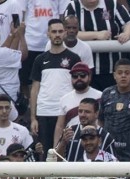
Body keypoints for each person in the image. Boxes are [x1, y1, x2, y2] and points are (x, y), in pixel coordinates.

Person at [30, 19, 84, 156]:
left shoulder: (74, 58)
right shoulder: (40, 60)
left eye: (60, 31)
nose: (57, 34)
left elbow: (79, 87)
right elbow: (34, 89)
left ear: (65, 33)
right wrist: (33, 118)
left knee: (66, 152)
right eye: (54, 31)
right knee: (45, 153)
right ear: (48, 33)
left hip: (66, 113)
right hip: (44, 112)